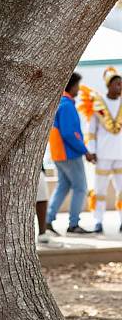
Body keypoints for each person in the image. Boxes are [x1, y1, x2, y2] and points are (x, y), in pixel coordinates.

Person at [46, 72, 95, 234]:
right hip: (69, 154)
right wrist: (85, 151)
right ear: (71, 85)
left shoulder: (61, 103)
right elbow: (69, 133)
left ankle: (48, 219)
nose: (79, 89)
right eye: (77, 85)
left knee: (63, 186)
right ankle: (73, 224)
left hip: (59, 154)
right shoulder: (66, 105)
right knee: (81, 188)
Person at [78, 67, 122, 233]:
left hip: (121, 155)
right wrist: (92, 150)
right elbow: (91, 130)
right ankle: (98, 221)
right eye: (117, 84)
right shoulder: (97, 103)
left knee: (121, 190)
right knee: (100, 190)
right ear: (109, 85)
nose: (120, 87)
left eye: (121, 84)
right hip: (102, 155)